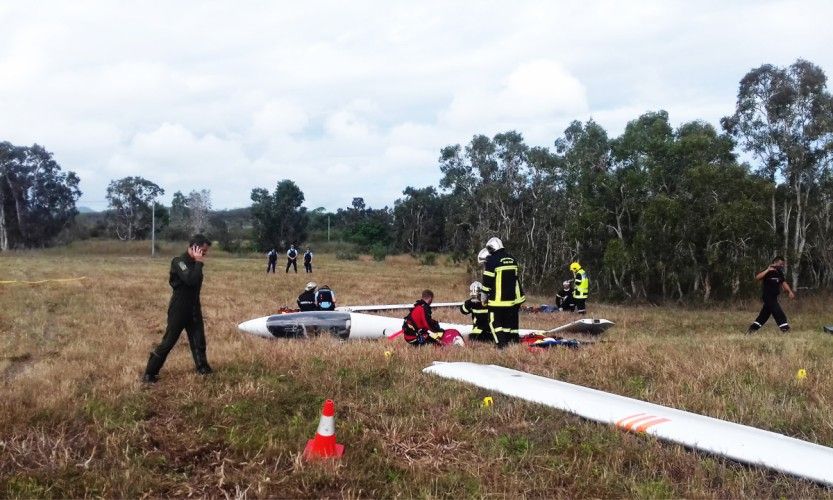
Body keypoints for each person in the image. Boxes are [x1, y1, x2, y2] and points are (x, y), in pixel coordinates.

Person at [142, 234, 213, 383]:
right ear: (195, 247)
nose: (205, 255)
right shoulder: (179, 262)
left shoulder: (195, 263)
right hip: (179, 308)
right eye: (203, 251)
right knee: (169, 341)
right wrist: (199, 262)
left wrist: (198, 262)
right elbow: (191, 280)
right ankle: (149, 373)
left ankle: (202, 367)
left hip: (194, 306)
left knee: (198, 340)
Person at [481, 237, 525, 347]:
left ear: (493, 248)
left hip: (497, 300)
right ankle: (509, 343)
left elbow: (487, 281)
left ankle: (501, 345)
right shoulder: (512, 259)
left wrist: (484, 296)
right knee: (507, 323)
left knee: (493, 322)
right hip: (510, 300)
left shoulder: (492, 260)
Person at [747, 256, 795, 334]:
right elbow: (757, 277)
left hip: (774, 297)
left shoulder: (779, 272)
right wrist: (768, 270)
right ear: (775, 262)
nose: (782, 266)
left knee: (764, 316)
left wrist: (790, 291)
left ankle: (752, 329)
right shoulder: (767, 271)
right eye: (781, 264)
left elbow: (783, 282)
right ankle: (785, 329)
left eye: (783, 264)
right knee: (778, 312)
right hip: (767, 296)